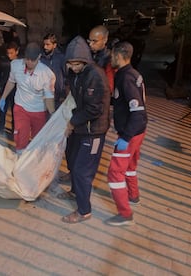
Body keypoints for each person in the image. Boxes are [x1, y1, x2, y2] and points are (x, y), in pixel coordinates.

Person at [60, 36, 111, 224]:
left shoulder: (95, 75)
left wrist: (72, 122)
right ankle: (75, 191)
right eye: (70, 64)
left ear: (85, 60)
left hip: (94, 130)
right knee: (72, 160)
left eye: (76, 64)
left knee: (82, 171)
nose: (73, 67)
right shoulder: (74, 74)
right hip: (81, 126)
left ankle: (84, 211)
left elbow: (94, 108)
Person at [59, 25, 115, 184]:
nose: (91, 44)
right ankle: (74, 177)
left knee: (83, 167)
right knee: (72, 152)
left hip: (93, 120)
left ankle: (81, 200)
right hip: (82, 114)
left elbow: (103, 95)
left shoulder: (106, 62)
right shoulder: (83, 57)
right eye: (89, 41)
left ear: (105, 39)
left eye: (94, 41)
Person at [105, 41, 147, 226]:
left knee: (115, 173)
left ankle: (125, 213)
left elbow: (138, 112)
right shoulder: (131, 73)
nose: (110, 58)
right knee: (130, 166)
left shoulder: (125, 78)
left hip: (131, 133)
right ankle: (133, 195)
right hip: (138, 132)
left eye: (112, 55)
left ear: (119, 55)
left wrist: (125, 137)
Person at [0, 42, 56, 154]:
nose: (29, 63)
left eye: (33, 60)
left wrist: (52, 113)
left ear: (39, 57)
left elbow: (49, 97)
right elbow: (11, 82)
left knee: (37, 140)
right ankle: (20, 159)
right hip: (20, 107)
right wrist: (3, 97)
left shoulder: (47, 74)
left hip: (38, 111)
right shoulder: (15, 65)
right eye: (27, 59)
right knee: (20, 138)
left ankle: (33, 163)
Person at [0, 41, 20, 136]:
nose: (9, 55)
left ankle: (14, 130)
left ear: (17, 52)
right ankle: (0, 128)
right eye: (8, 53)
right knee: (3, 110)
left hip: (17, 91)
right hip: (5, 90)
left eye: (11, 53)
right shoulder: (3, 62)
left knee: (15, 111)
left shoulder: (21, 63)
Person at [40, 33, 67, 109]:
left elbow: (66, 76)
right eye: (44, 44)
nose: (45, 47)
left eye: (48, 44)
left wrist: (63, 94)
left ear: (54, 45)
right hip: (42, 95)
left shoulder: (61, 58)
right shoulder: (40, 57)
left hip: (57, 96)